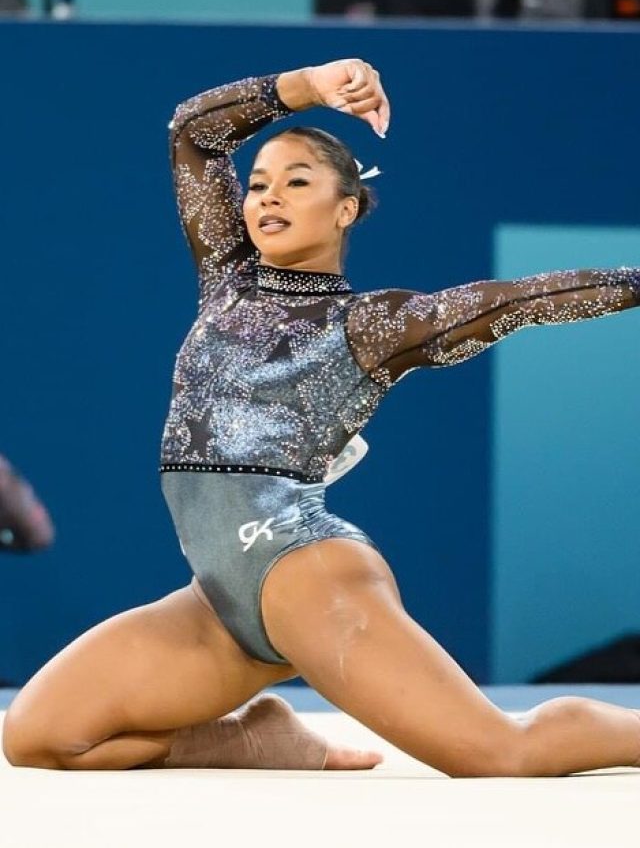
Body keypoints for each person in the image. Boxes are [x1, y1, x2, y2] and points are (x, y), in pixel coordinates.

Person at [4, 58, 640, 778]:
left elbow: (517, 301)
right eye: (258, 184)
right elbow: (193, 133)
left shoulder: (368, 325)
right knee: (39, 736)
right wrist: (309, 87)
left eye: (297, 182)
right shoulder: (226, 279)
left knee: (503, 753)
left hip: (305, 574)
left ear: (347, 208)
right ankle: (256, 740)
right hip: (218, 603)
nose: (268, 196)